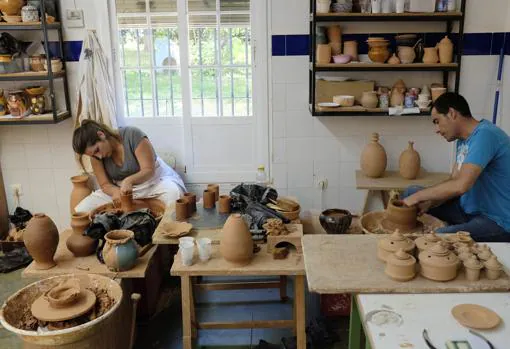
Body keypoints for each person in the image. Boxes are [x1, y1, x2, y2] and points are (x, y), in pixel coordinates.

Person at [401, 92, 510, 242]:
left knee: (439, 237)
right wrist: (431, 202)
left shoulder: (486, 135)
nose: (437, 129)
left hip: (497, 220)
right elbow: (454, 179)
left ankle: (455, 230)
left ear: (452, 113)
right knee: (410, 192)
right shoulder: (463, 140)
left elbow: (461, 185)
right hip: (468, 209)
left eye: (437, 121)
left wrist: (418, 197)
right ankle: (459, 227)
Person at [72, 120, 186, 212]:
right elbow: (105, 184)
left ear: (101, 135)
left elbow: (148, 170)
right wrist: (115, 192)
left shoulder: (133, 135)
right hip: (123, 189)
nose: (99, 157)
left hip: (155, 181)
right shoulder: (96, 156)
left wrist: (129, 180)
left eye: (97, 150)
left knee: (174, 196)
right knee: (82, 210)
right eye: (93, 155)